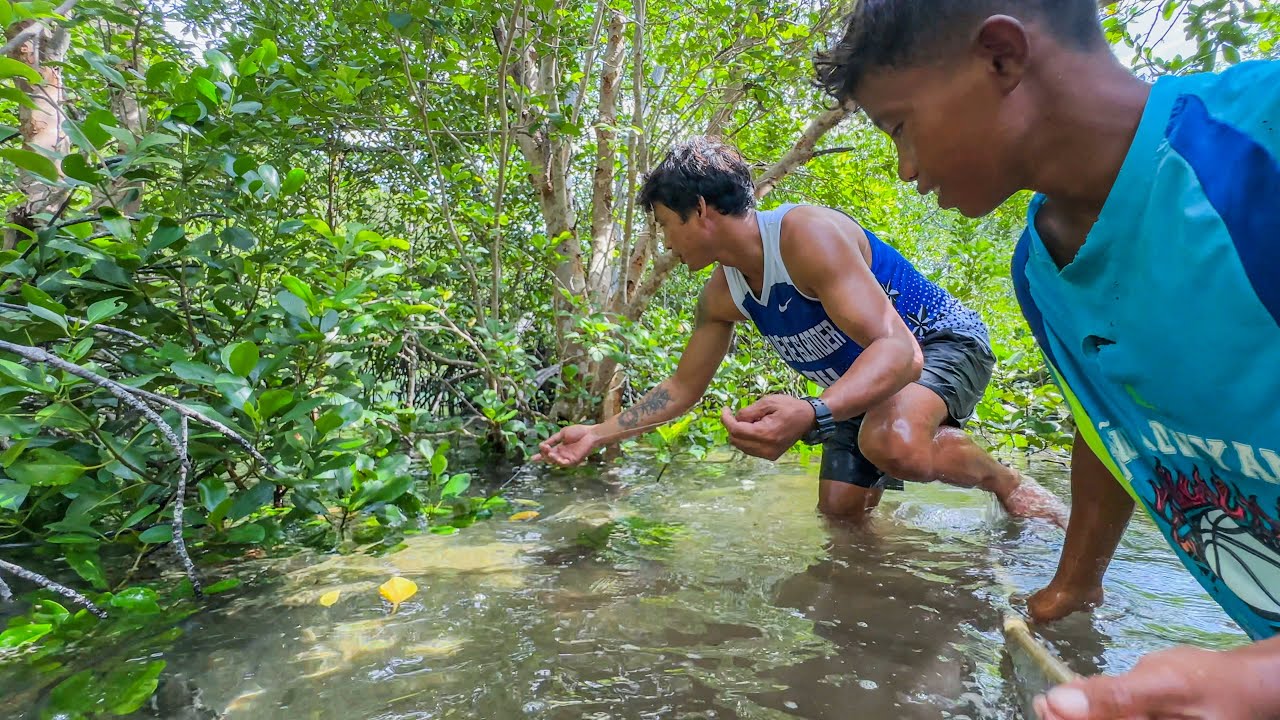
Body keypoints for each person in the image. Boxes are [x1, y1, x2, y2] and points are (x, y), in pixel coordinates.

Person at [813, 1, 1280, 718]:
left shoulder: (1257, 142)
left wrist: (1253, 683)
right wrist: (1076, 583)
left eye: (900, 126)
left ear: (1001, 56)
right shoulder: (1039, 271)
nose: (906, 171)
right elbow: (1111, 427)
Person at [534, 137, 1065, 525]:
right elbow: (682, 388)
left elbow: (901, 353)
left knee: (891, 441)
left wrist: (812, 411)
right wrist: (597, 434)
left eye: (665, 224)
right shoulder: (722, 294)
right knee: (840, 516)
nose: (665, 242)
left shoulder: (805, 236)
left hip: (939, 340)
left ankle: (1006, 482)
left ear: (699, 211)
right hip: (866, 385)